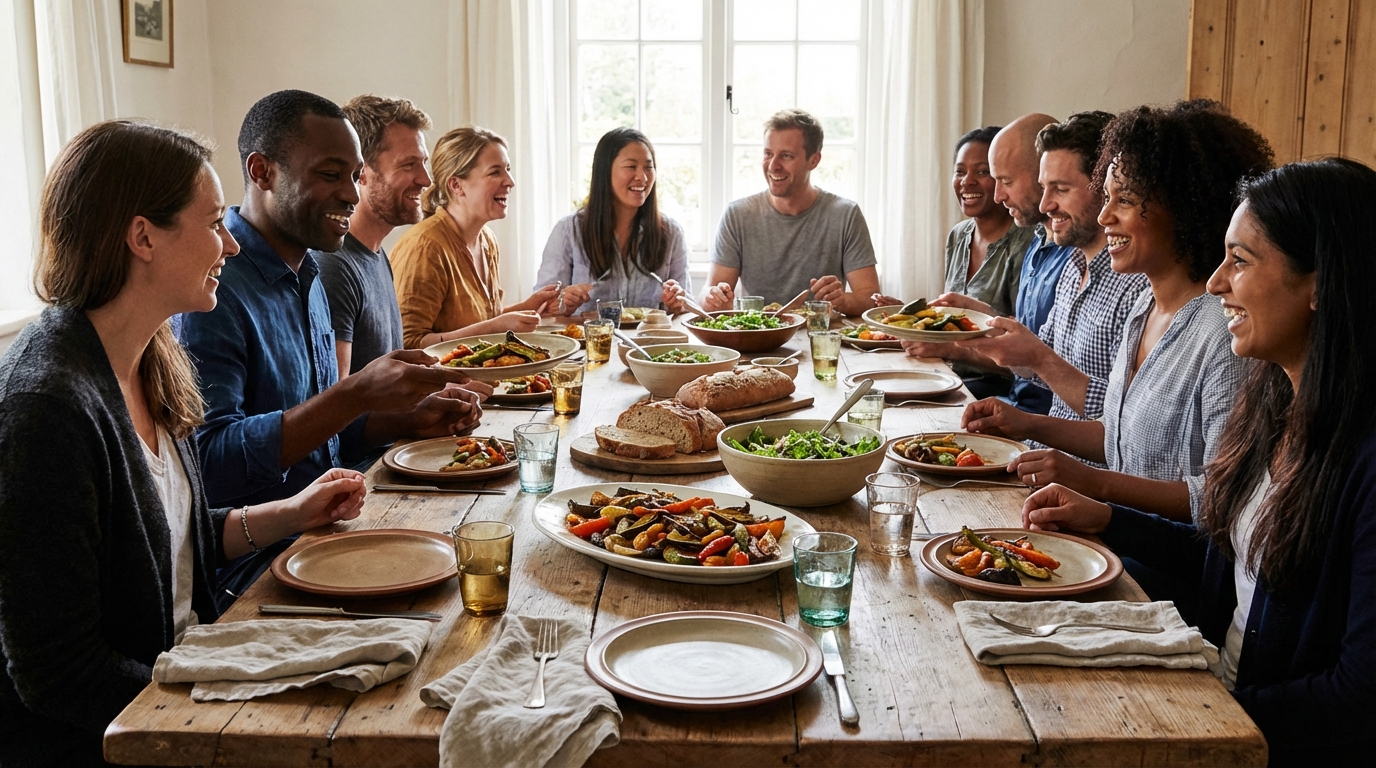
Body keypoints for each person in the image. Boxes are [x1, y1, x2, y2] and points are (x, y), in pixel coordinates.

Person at [0, 121, 368, 765]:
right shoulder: (44, 407)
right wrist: (223, 707)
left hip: (188, 675)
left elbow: (166, 541)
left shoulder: (151, 355)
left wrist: (290, 513)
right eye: (210, 224)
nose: (229, 244)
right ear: (142, 236)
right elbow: (54, 673)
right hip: (124, 734)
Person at [1021, 158, 1376, 764]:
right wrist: (1105, 519)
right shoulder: (1274, 401)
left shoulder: (1363, 458)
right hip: (1217, 696)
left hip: (1256, 735)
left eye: (1240, 261)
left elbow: (1359, 697)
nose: (1217, 283)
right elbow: (1231, 558)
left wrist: (1196, 721)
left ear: (1321, 282)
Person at [179, 91, 485, 598]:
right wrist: (356, 395)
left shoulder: (308, 269)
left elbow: (320, 440)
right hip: (253, 571)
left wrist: (409, 419)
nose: (350, 192)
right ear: (262, 171)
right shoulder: (212, 287)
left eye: (354, 175)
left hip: (328, 534)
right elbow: (209, 466)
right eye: (329, 175)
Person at [966, 101, 1272, 523]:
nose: (1105, 215)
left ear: (1184, 206)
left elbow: (1222, 500)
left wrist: (1096, 486)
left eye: (1124, 200)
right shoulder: (1145, 306)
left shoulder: (1221, 332)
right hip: (1112, 534)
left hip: (1159, 568)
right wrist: (1026, 424)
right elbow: (1116, 434)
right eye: (1106, 197)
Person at [955, 111, 1148, 436]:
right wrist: (983, 328)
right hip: (1043, 452)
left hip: (1079, 474)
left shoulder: (1138, 284)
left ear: (1105, 188)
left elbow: (1124, 422)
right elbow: (1034, 360)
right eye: (1044, 188)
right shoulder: (1074, 265)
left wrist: (1038, 360)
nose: (1045, 205)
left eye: (1059, 189)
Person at [390, 126, 561, 348]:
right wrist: (495, 328)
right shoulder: (424, 246)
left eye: (508, 169)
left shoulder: (486, 240)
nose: (510, 181)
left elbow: (481, 321)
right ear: (456, 185)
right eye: (495, 172)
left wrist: (527, 307)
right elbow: (407, 344)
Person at [702, 109, 880, 316]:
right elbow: (708, 292)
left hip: (818, 338)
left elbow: (870, 297)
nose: (773, 166)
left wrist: (843, 301)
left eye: (786, 156)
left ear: (814, 160)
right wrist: (713, 298)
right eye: (768, 154)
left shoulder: (845, 215)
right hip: (756, 338)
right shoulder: (737, 215)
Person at [315, 94, 432, 377]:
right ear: (361, 173)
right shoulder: (334, 267)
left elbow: (389, 389)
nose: (426, 180)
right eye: (409, 164)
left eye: (423, 162)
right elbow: (335, 406)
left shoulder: (377, 256)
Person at [534, 127, 689, 316]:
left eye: (648, 166)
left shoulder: (671, 233)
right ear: (605, 171)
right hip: (587, 344)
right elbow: (539, 309)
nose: (642, 176)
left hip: (649, 344)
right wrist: (562, 304)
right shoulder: (569, 231)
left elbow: (687, 309)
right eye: (631, 166)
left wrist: (677, 304)